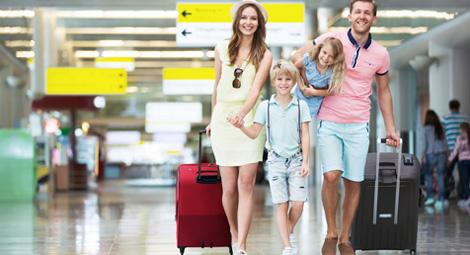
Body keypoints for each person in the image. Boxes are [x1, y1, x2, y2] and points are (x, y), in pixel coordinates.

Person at [292, 1, 400, 254]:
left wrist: (390, 128)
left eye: (367, 12)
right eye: (357, 11)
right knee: (331, 176)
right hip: (329, 119)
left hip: (359, 123)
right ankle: (330, 231)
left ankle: (344, 237)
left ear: (374, 18)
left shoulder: (381, 54)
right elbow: (299, 56)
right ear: (349, 15)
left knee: (353, 182)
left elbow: (384, 92)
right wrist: (307, 84)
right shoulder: (332, 38)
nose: (362, 16)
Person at [205, 1, 273, 255]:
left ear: (259, 23)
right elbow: (217, 84)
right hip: (223, 118)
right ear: (237, 21)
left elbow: (255, 89)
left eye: (253, 18)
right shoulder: (222, 47)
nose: (248, 22)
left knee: (246, 184)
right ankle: (233, 231)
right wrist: (213, 118)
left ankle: (242, 244)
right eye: (244, 17)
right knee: (229, 187)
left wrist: (242, 114)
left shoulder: (265, 54)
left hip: (249, 119)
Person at [230, 59, 311, 255]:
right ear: (274, 82)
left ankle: (287, 231)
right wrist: (242, 126)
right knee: (281, 204)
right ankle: (287, 246)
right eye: (280, 79)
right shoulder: (266, 106)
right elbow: (255, 133)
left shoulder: (301, 106)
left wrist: (306, 161)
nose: (284, 83)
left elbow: (306, 135)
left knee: (298, 204)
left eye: (288, 79)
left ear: (293, 82)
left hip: (297, 159)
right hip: (275, 160)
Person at [293, 36, 346, 117]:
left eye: (331, 56)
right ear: (320, 49)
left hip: (314, 101)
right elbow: (295, 67)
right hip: (300, 94)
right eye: (324, 52)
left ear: (335, 58)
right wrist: (301, 86)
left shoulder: (332, 72)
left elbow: (331, 91)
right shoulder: (310, 58)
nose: (326, 57)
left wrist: (314, 92)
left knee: (305, 120)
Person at [442, 99, 470, 204]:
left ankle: (445, 196)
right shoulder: (466, 118)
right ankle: (462, 196)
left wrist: (447, 152)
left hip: (451, 150)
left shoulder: (445, 119)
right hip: (466, 151)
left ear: (450, 108)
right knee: (464, 175)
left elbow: (442, 136)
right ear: (459, 107)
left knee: (448, 174)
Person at [420, 110, 448, 209]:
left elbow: (424, 145)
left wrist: (422, 157)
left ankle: (431, 197)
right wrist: (448, 155)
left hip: (430, 154)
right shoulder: (441, 127)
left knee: (428, 176)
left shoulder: (425, 129)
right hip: (442, 154)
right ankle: (440, 199)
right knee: (440, 176)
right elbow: (445, 142)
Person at [448, 122, 470, 207]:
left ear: (461, 129)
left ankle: (468, 197)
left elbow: (455, 151)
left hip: (463, 161)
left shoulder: (459, 138)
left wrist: (449, 160)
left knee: (465, 180)